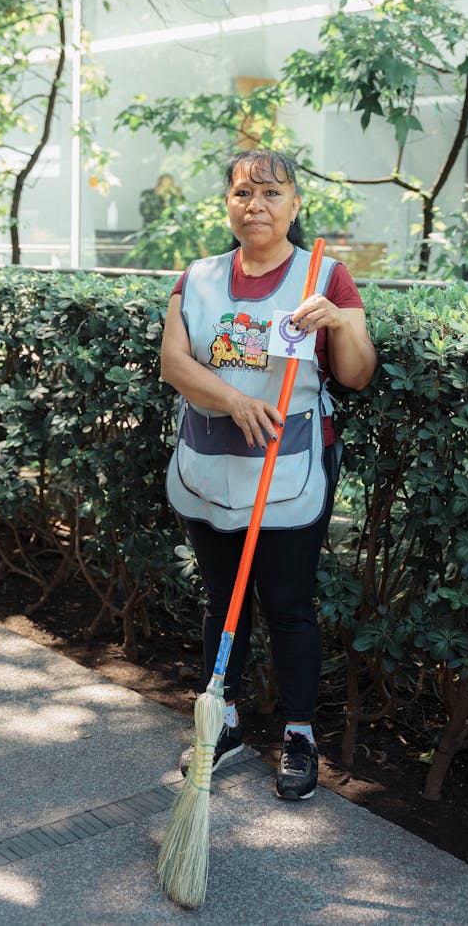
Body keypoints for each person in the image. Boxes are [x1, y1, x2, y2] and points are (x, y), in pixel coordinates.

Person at [160, 148, 376, 800]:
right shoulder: (196, 278)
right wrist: (232, 398)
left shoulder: (324, 276)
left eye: (271, 193)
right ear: (226, 203)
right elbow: (174, 361)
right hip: (210, 467)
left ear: (295, 205)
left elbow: (358, 372)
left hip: (291, 472)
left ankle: (300, 734)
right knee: (222, 602)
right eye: (242, 193)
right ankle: (222, 721)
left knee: (287, 604)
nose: (256, 205)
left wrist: (337, 322)